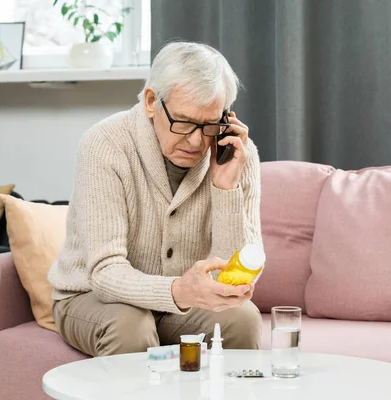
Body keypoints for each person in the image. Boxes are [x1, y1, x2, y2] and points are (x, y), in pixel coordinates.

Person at [48, 41, 263, 356]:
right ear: (151, 101)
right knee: (131, 327)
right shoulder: (104, 144)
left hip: (183, 305)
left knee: (241, 319)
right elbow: (105, 273)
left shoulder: (238, 156)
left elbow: (230, 281)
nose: (194, 141)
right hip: (93, 296)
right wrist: (178, 291)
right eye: (184, 122)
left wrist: (225, 188)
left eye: (208, 126)